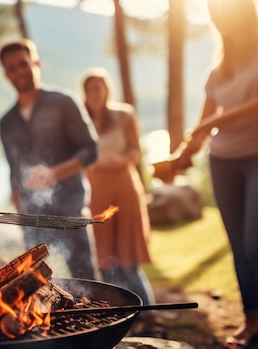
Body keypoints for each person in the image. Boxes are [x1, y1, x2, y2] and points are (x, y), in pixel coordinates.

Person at [169, 0, 258, 349]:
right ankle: (253, 323)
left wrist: (213, 122)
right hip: (223, 161)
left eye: (226, 10)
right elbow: (199, 131)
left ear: (244, 8)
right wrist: (177, 158)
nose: (221, 19)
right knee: (240, 249)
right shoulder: (218, 72)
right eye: (215, 14)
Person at [0, 38, 98, 280]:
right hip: (32, 217)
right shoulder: (6, 122)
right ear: (6, 74)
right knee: (36, 283)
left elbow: (91, 150)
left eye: (23, 64)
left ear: (36, 63)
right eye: (11, 68)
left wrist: (54, 174)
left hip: (70, 210)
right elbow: (13, 169)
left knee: (85, 281)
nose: (19, 72)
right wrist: (17, 201)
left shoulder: (63, 103)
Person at [81, 67, 164, 337]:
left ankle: (150, 317)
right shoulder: (81, 121)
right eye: (89, 88)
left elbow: (135, 152)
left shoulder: (124, 114)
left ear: (107, 90)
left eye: (98, 87)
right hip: (97, 193)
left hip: (124, 189)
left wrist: (119, 160)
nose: (94, 93)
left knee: (128, 258)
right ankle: (118, 319)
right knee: (106, 259)